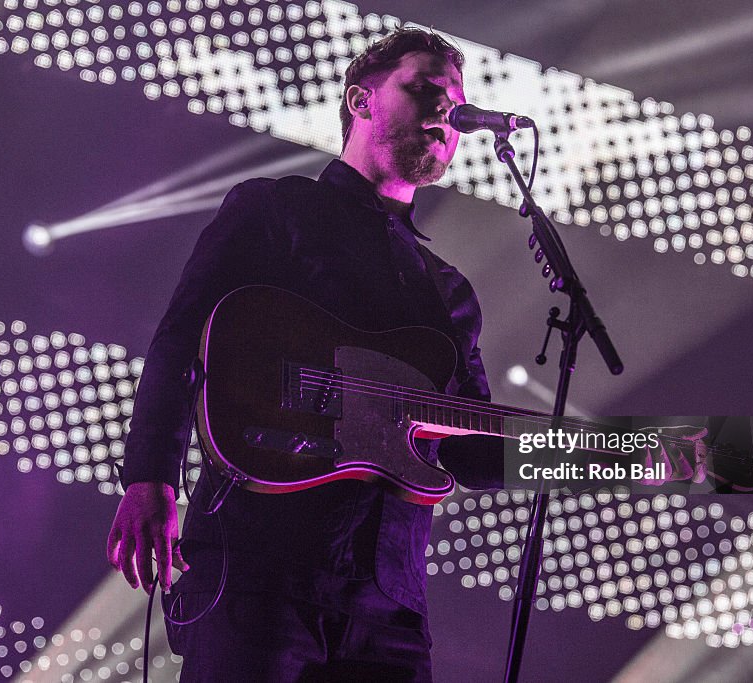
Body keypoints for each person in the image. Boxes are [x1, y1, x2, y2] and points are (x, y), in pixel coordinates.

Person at [107, 28, 505, 682]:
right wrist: (148, 475)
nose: (446, 110)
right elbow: (181, 337)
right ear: (361, 99)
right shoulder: (274, 211)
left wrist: (616, 454)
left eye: (456, 100)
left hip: (389, 603)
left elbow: (474, 450)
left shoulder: (449, 292)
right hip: (259, 568)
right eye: (425, 88)